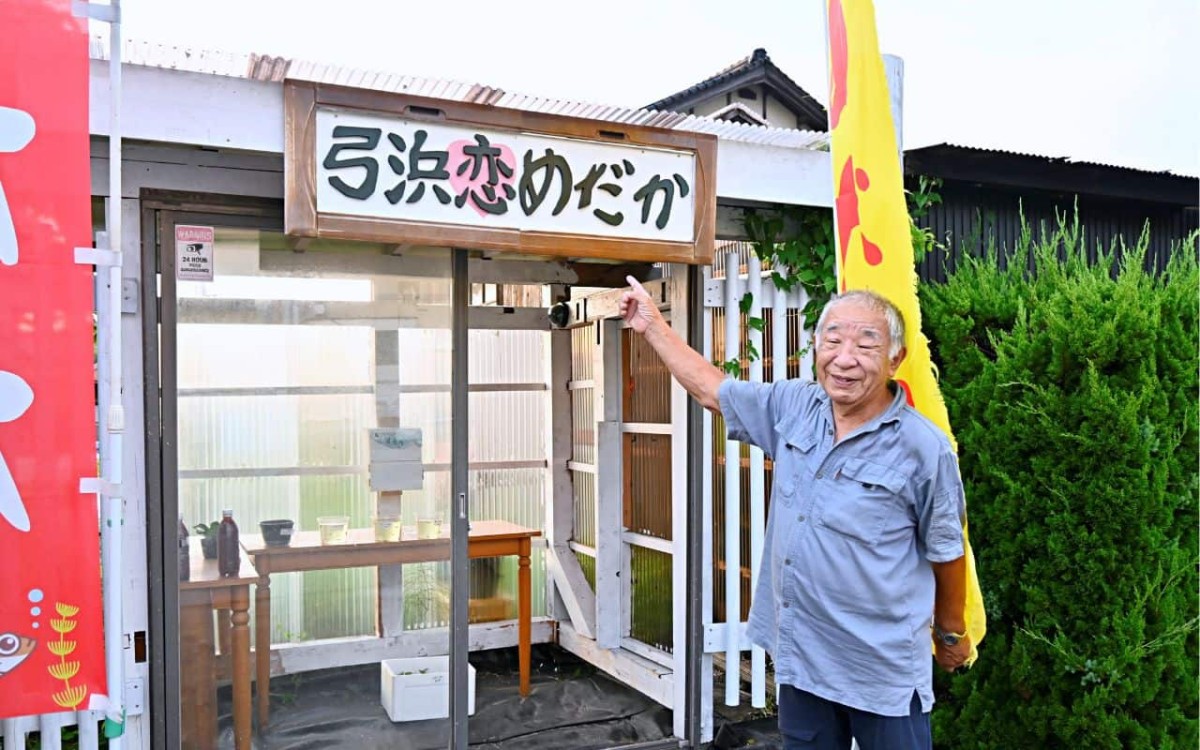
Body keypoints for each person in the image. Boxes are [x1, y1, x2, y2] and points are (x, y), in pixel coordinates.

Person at [619, 277, 971, 750]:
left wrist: (950, 634)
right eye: (833, 340)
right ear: (815, 346)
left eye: (866, 344)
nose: (844, 358)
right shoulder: (795, 406)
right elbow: (712, 391)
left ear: (895, 359)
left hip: (879, 669)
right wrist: (653, 326)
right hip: (802, 655)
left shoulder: (923, 449)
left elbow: (946, 549)